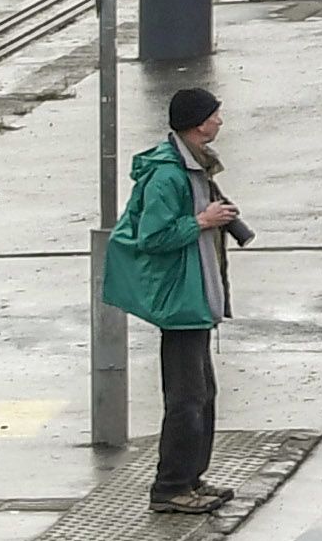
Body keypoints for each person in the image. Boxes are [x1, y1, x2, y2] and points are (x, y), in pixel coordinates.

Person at [98, 86, 246, 514]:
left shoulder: (196, 167)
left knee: (203, 394)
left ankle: (192, 480)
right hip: (181, 300)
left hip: (196, 297)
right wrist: (202, 220)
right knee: (185, 398)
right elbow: (153, 237)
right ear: (199, 122)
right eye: (216, 115)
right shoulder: (169, 175)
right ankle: (170, 487)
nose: (220, 121)